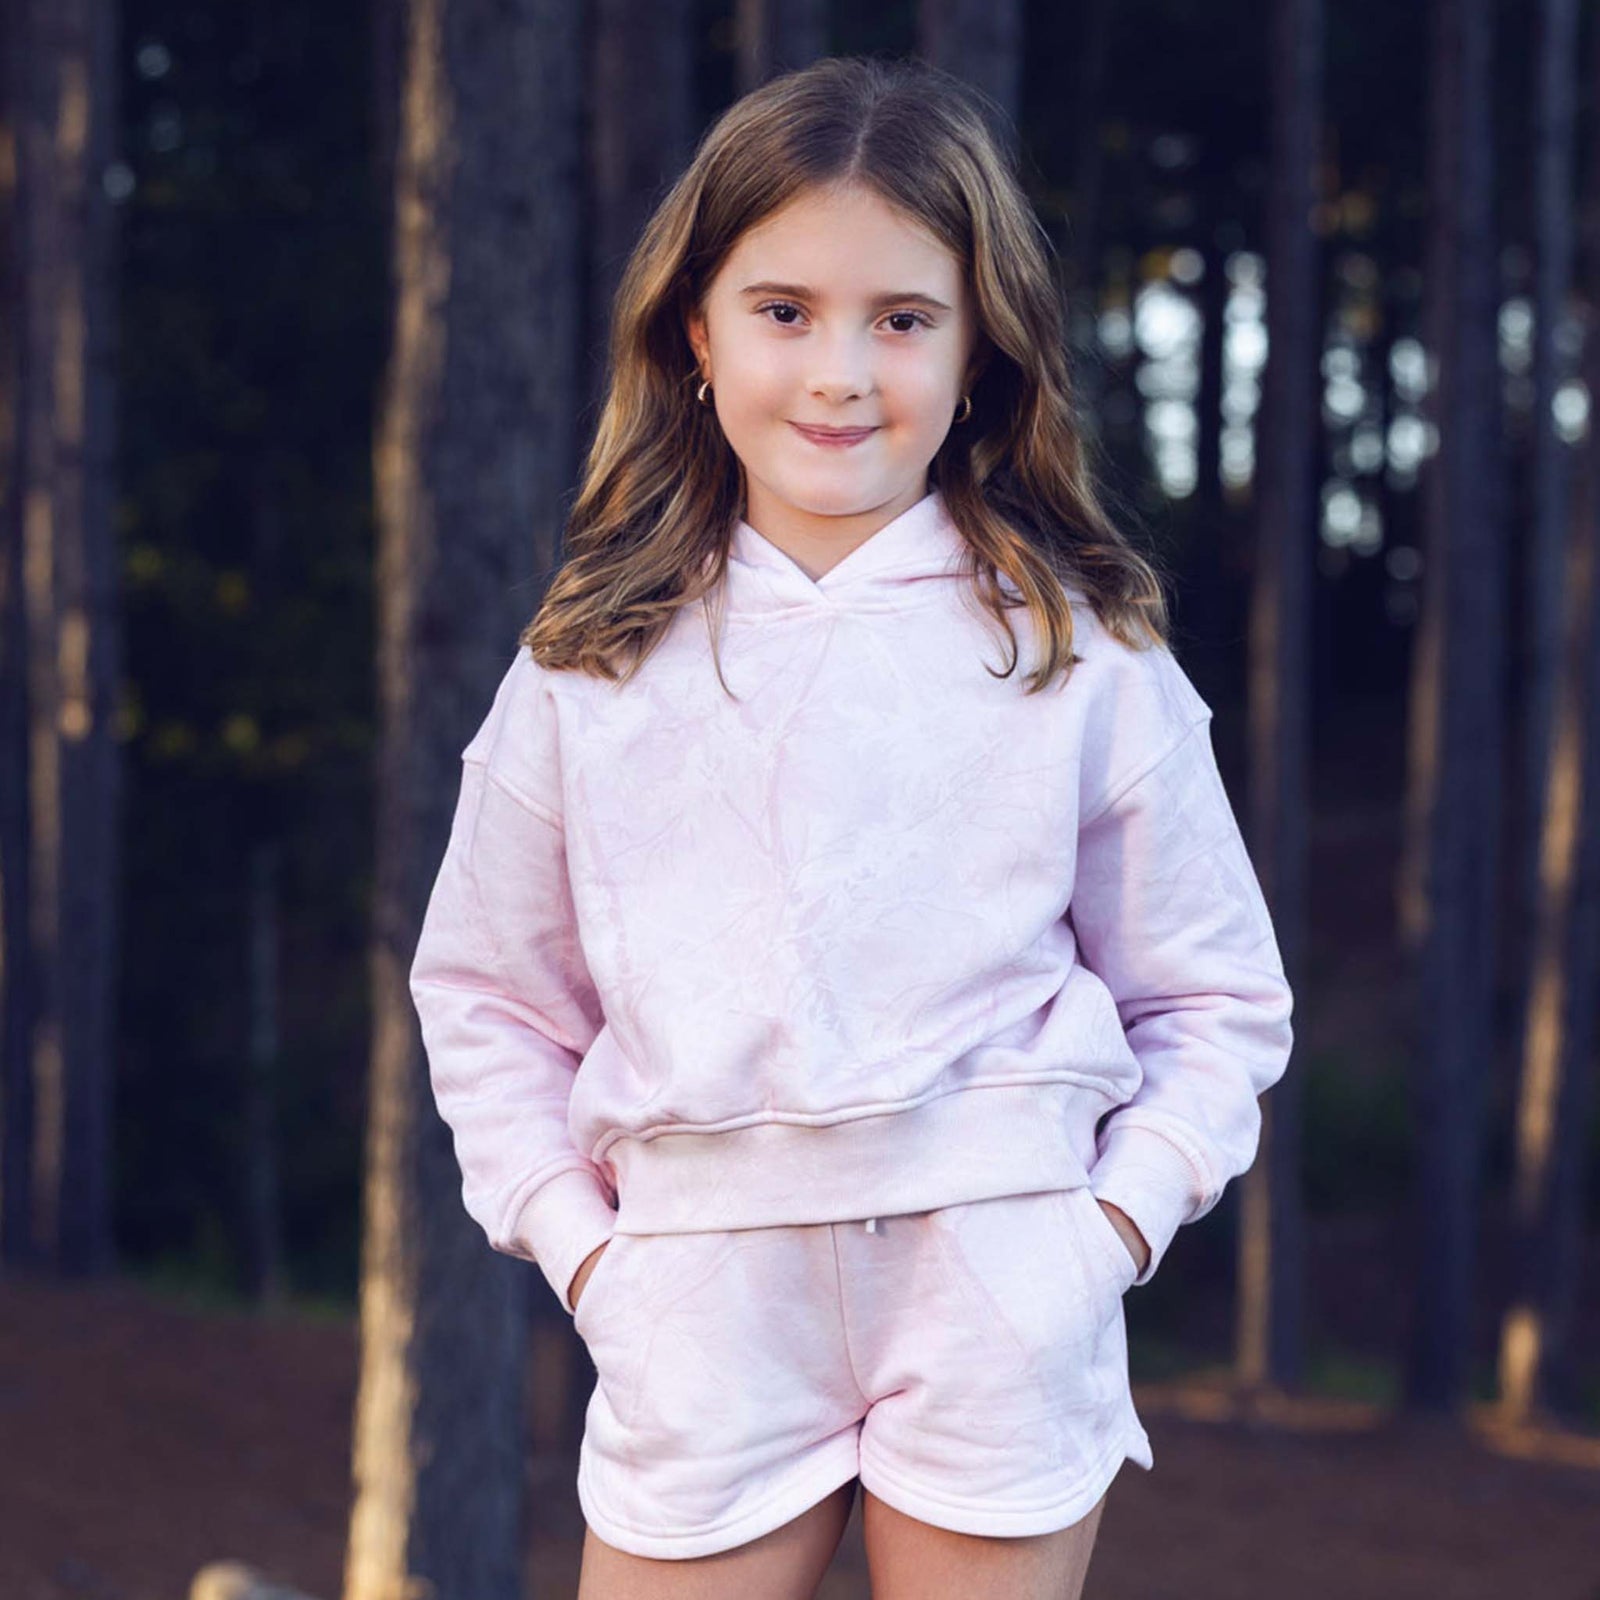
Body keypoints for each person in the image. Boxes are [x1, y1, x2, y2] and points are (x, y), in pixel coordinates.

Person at [409, 52, 1294, 1600]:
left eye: (902, 318)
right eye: (784, 312)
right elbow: (485, 998)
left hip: (997, 1282)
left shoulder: (1081, 647)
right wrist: (597, 1261)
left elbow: (1215, 1000)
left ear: (980, 352)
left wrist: (1099, 1238)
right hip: (696, 1298)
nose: (840, 374)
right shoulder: (589, 660)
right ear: (695, 330)